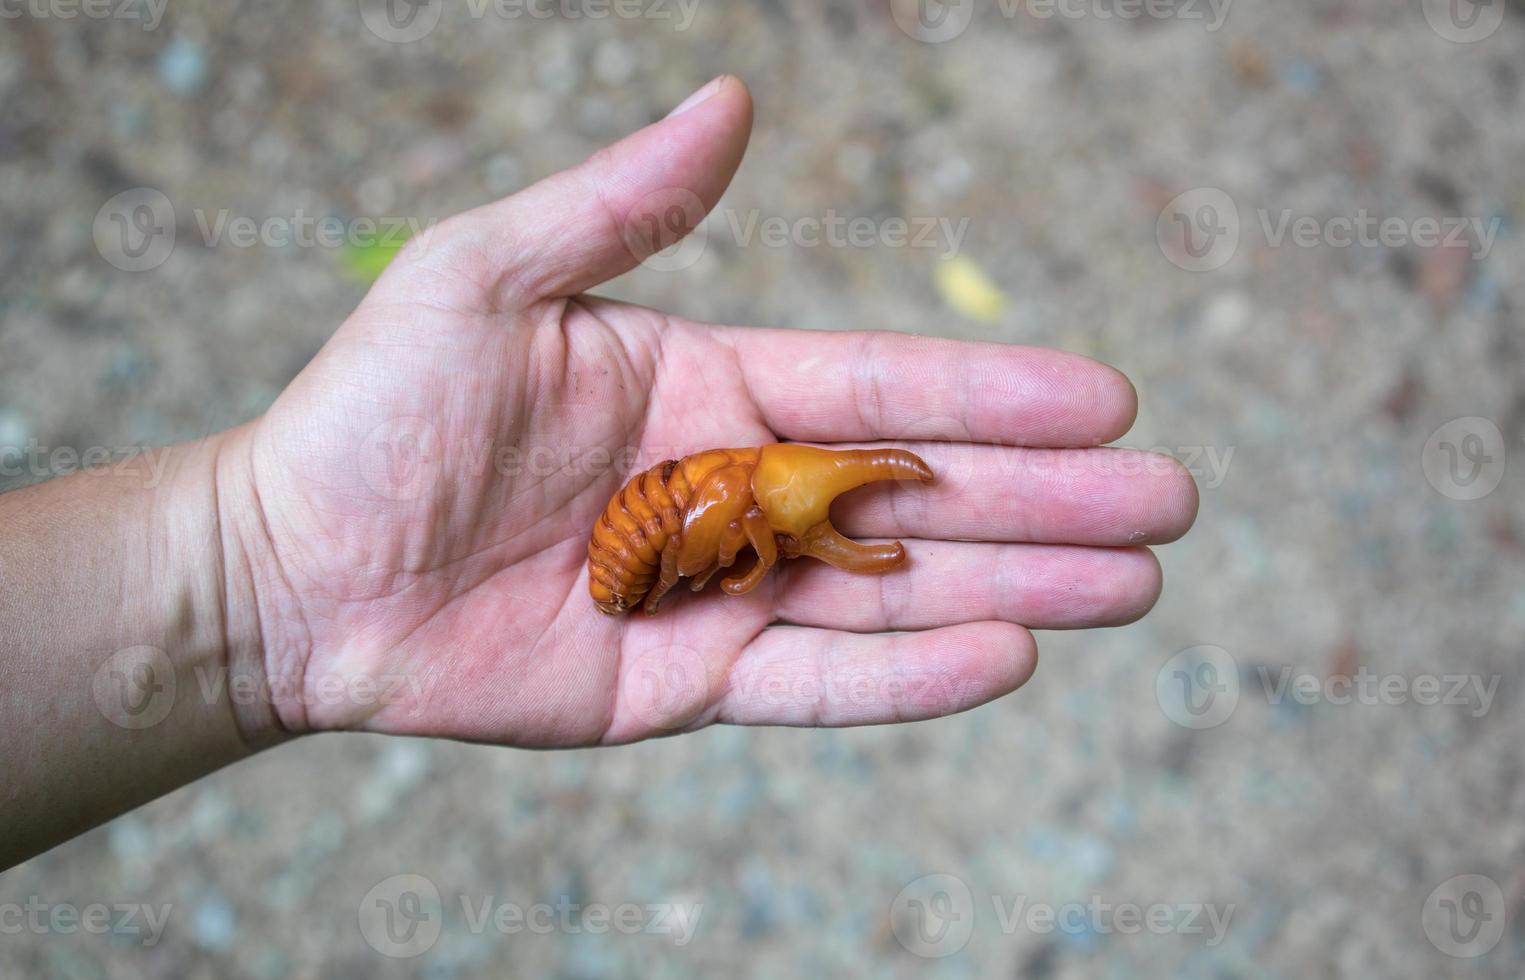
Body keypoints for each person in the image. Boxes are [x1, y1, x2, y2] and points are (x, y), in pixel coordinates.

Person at [0, 76, 1197, 870]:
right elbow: (741, 542)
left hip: (674, 534)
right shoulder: (716, 519)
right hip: (656, 544)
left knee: (781, 516)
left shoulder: (740, 505)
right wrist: (258, 568)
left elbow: (751, 537)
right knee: (774, 519)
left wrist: (257, 573)